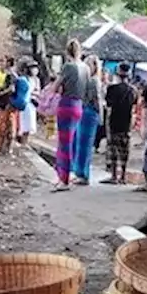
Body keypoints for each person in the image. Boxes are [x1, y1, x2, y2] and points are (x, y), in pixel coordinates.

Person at [51, 41, 87, 191]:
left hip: (66, 105)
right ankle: (67, 174)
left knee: (64, 144)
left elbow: (55, 87)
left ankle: (63, 179)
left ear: (67, 52)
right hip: (79, 106)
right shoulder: (85, 67)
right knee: (72, 142)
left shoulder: (68, 67)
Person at [102, 62, 138, 184]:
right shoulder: (133, 90)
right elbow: (133, 108)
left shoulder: (111, 89)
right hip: (126, 123)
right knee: (124, 150)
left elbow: (108, 106)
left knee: (113, 149)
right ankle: (122, 175)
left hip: (114, 122)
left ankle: (113, 175)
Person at [71, 56, 102, 185]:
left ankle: (83, 174)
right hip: (84, 111)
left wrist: (100, 117)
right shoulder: (87, 80)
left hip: (89, 112)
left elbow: (96, 100)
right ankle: (79, 172)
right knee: (78, 142)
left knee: (84, 145)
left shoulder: (93, 81)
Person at [0, 57, 17, 153]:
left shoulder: (10, 75)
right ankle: (2, 146)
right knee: (3, 124)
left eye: (4, 62)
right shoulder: (6, 74)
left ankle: (3, 147)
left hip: (6, 103)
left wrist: (0, 93)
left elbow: (11, 88)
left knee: (4, 125)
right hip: (2, 102)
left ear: (8, 63)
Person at [14, 63, 36, 144]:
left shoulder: (34, 80)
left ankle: (25, 142)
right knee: (23, 124)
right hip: (24, 104)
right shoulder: (22, 79)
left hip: (31, 105)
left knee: (29, 126)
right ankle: (21, 141)